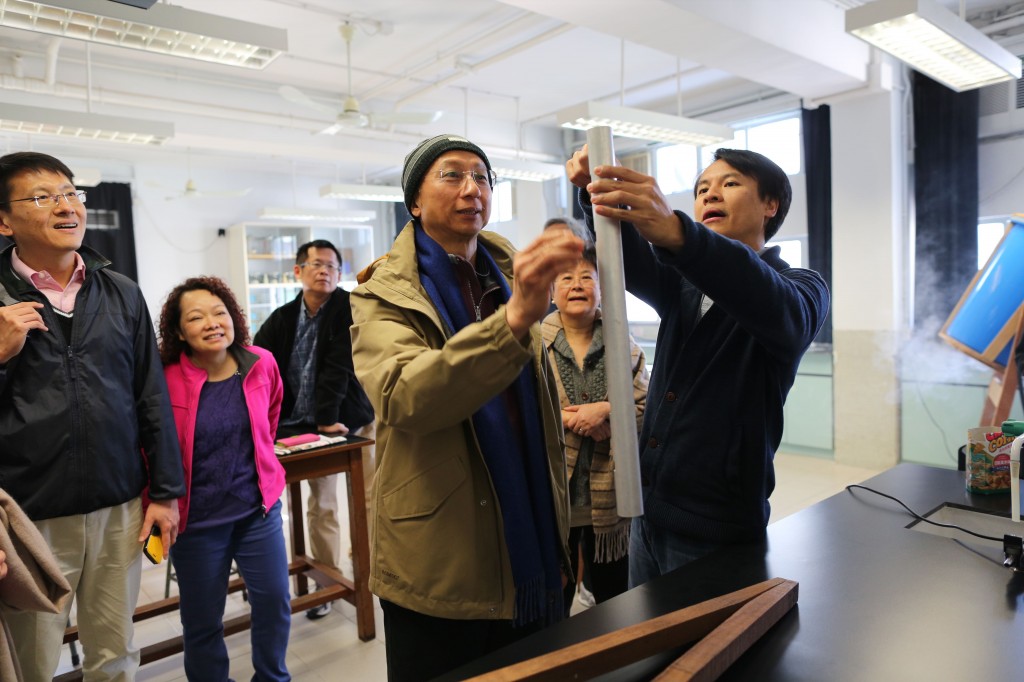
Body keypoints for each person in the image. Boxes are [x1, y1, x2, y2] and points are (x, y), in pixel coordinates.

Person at [350, 134, 583, 681]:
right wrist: (513, 321)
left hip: (531, 522)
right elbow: (404, 396)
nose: (472, 188)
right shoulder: (381, 293)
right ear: (414, 201)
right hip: (440, 545)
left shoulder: (508, 271)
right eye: (452, 174)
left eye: (482, 177)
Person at [566, 146, 830, 586]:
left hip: (717, 529)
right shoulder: (683, 285)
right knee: (647, 631)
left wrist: (677, 233)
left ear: (770, 205)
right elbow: (628, 255)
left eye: (730, 183)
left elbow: (771, 303)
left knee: (708, 634)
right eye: (702, 188)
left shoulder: (802, 287)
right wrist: (593, 192)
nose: (710, 194)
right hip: (648, 514)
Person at [0, 151, 185, 680]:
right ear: (4, 221)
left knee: (115, 653)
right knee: (31, 663)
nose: (66, 206)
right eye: (42, 197)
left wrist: (165, 494)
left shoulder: (121, 291)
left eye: (70, 193)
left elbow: (151, 396)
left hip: (118, 506)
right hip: (27, 516)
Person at [158, 276, 291, 681]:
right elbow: (151, 446)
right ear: (179, 332)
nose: (212, 323)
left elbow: (270, 418)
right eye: (196, 317)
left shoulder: (260, 362)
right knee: (202, 621)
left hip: (257, 512)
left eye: (219, 313)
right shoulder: (164, 377)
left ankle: (272, 677)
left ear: (233, 317)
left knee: (274, 603)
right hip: (196, 521)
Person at [253, 239, 375, 620]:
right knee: (319, 504)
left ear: (339, 274)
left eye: (332, 266)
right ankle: (329, 582)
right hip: (300, 425)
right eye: (316, 264)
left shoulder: (349, 307)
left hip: (347, 419)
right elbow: (258, 362)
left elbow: (338, 367)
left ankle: (369, 570)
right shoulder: (283, 317)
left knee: (365, 500)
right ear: (298, 271)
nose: (324, 271)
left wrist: (326, 418)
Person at [541, 247, 648, 616]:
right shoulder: (533, 345)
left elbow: (646, 409)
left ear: (602, 290)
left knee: (614, 601)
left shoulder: (624, 347)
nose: (577, 285)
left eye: (587, 277)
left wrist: (607, 411)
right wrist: (568, 418)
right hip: (555, 498)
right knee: (554, 603)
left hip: (610, 504)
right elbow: (519, 410)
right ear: (551, 290)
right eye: (566, 278)